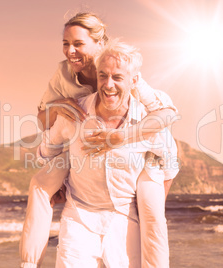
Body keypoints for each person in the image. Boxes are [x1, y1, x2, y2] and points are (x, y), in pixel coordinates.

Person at [20, 12, 178, 267]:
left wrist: (121, 137)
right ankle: (29, 261)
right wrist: (61, 106)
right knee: (44, 181)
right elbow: (44, 126)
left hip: (124, 202)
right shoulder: (63, 75)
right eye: (65, 44)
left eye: (78, 44)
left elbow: (166, 115)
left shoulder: (129, 76)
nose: (70, 51)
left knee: (156, 184)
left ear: (99, 43)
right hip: (79, 191)